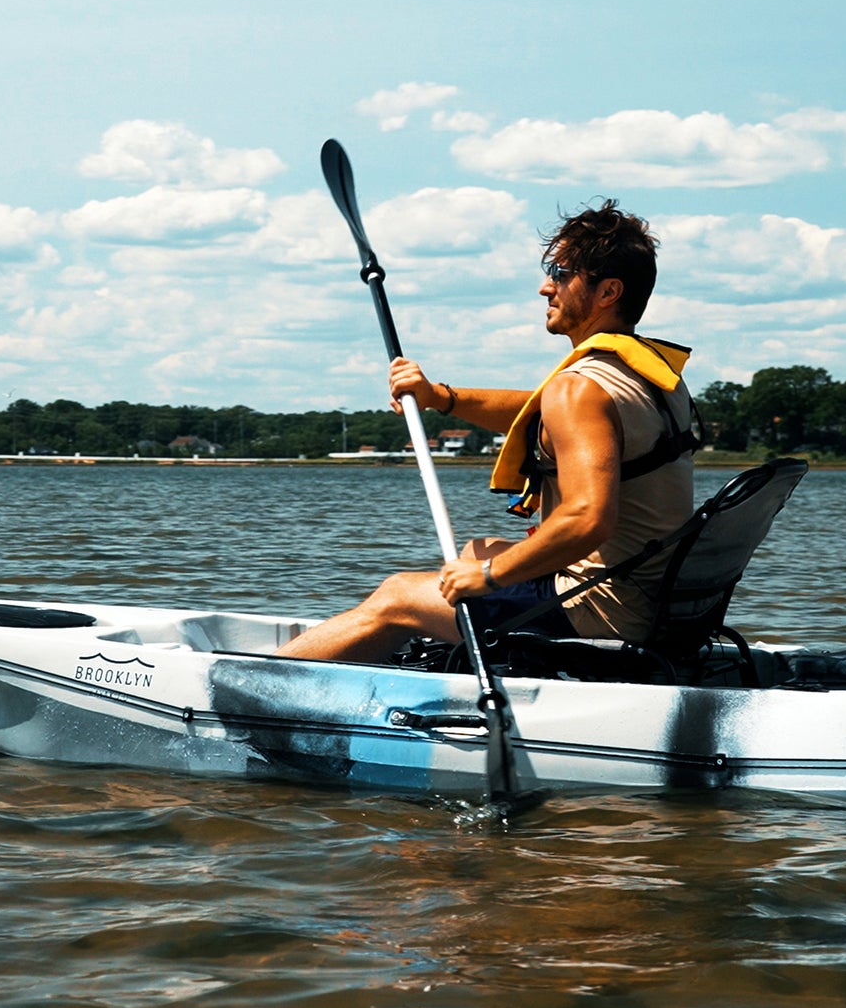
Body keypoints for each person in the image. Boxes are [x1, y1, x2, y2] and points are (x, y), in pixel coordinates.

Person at [278, 200, 696, 663]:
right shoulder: (649, 379)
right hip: (657, 603)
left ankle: (256, 684)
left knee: (397, 595)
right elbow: (539, 413)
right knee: (476, 550)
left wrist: (491, 577)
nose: (545, 287)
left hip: (601, 610)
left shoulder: (579, 388)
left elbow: (588, 519)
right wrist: (439, 396)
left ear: (607, 292)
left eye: (560, 272)